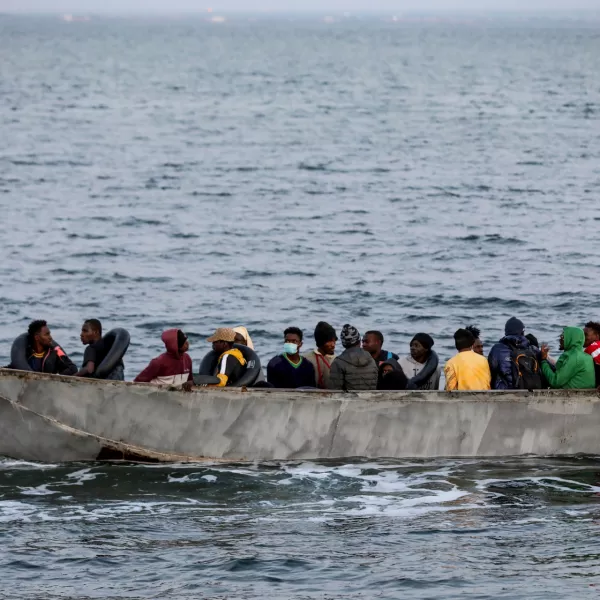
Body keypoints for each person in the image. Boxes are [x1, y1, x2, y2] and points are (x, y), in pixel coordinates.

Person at [488, 317, 542, 390]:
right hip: (529, 392)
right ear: (522, 331)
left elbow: (490, 370)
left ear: (506, 332)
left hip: (504, 393)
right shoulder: (533, 349)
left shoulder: (497, 349)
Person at [11, 320, 77, 376]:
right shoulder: (26, 351)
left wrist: (55, 377)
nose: (50, 337)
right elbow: (16, 365)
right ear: (37, 337)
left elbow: (72, 368)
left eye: (49, 334)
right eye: (46, 334)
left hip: (48, 387)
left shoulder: (54, 351)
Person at [328, 324, 378, 391]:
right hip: (370, 400)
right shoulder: (371, 360)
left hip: (349, 401)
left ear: (343, 344)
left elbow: (334, 392)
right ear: (359, 341)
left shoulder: (338, 363)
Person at [303, 321, 337, 389]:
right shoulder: (306, 360)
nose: (333, 345)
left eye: (334, 340)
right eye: (329, 341)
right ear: (321, 342)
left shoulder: (337, 360)